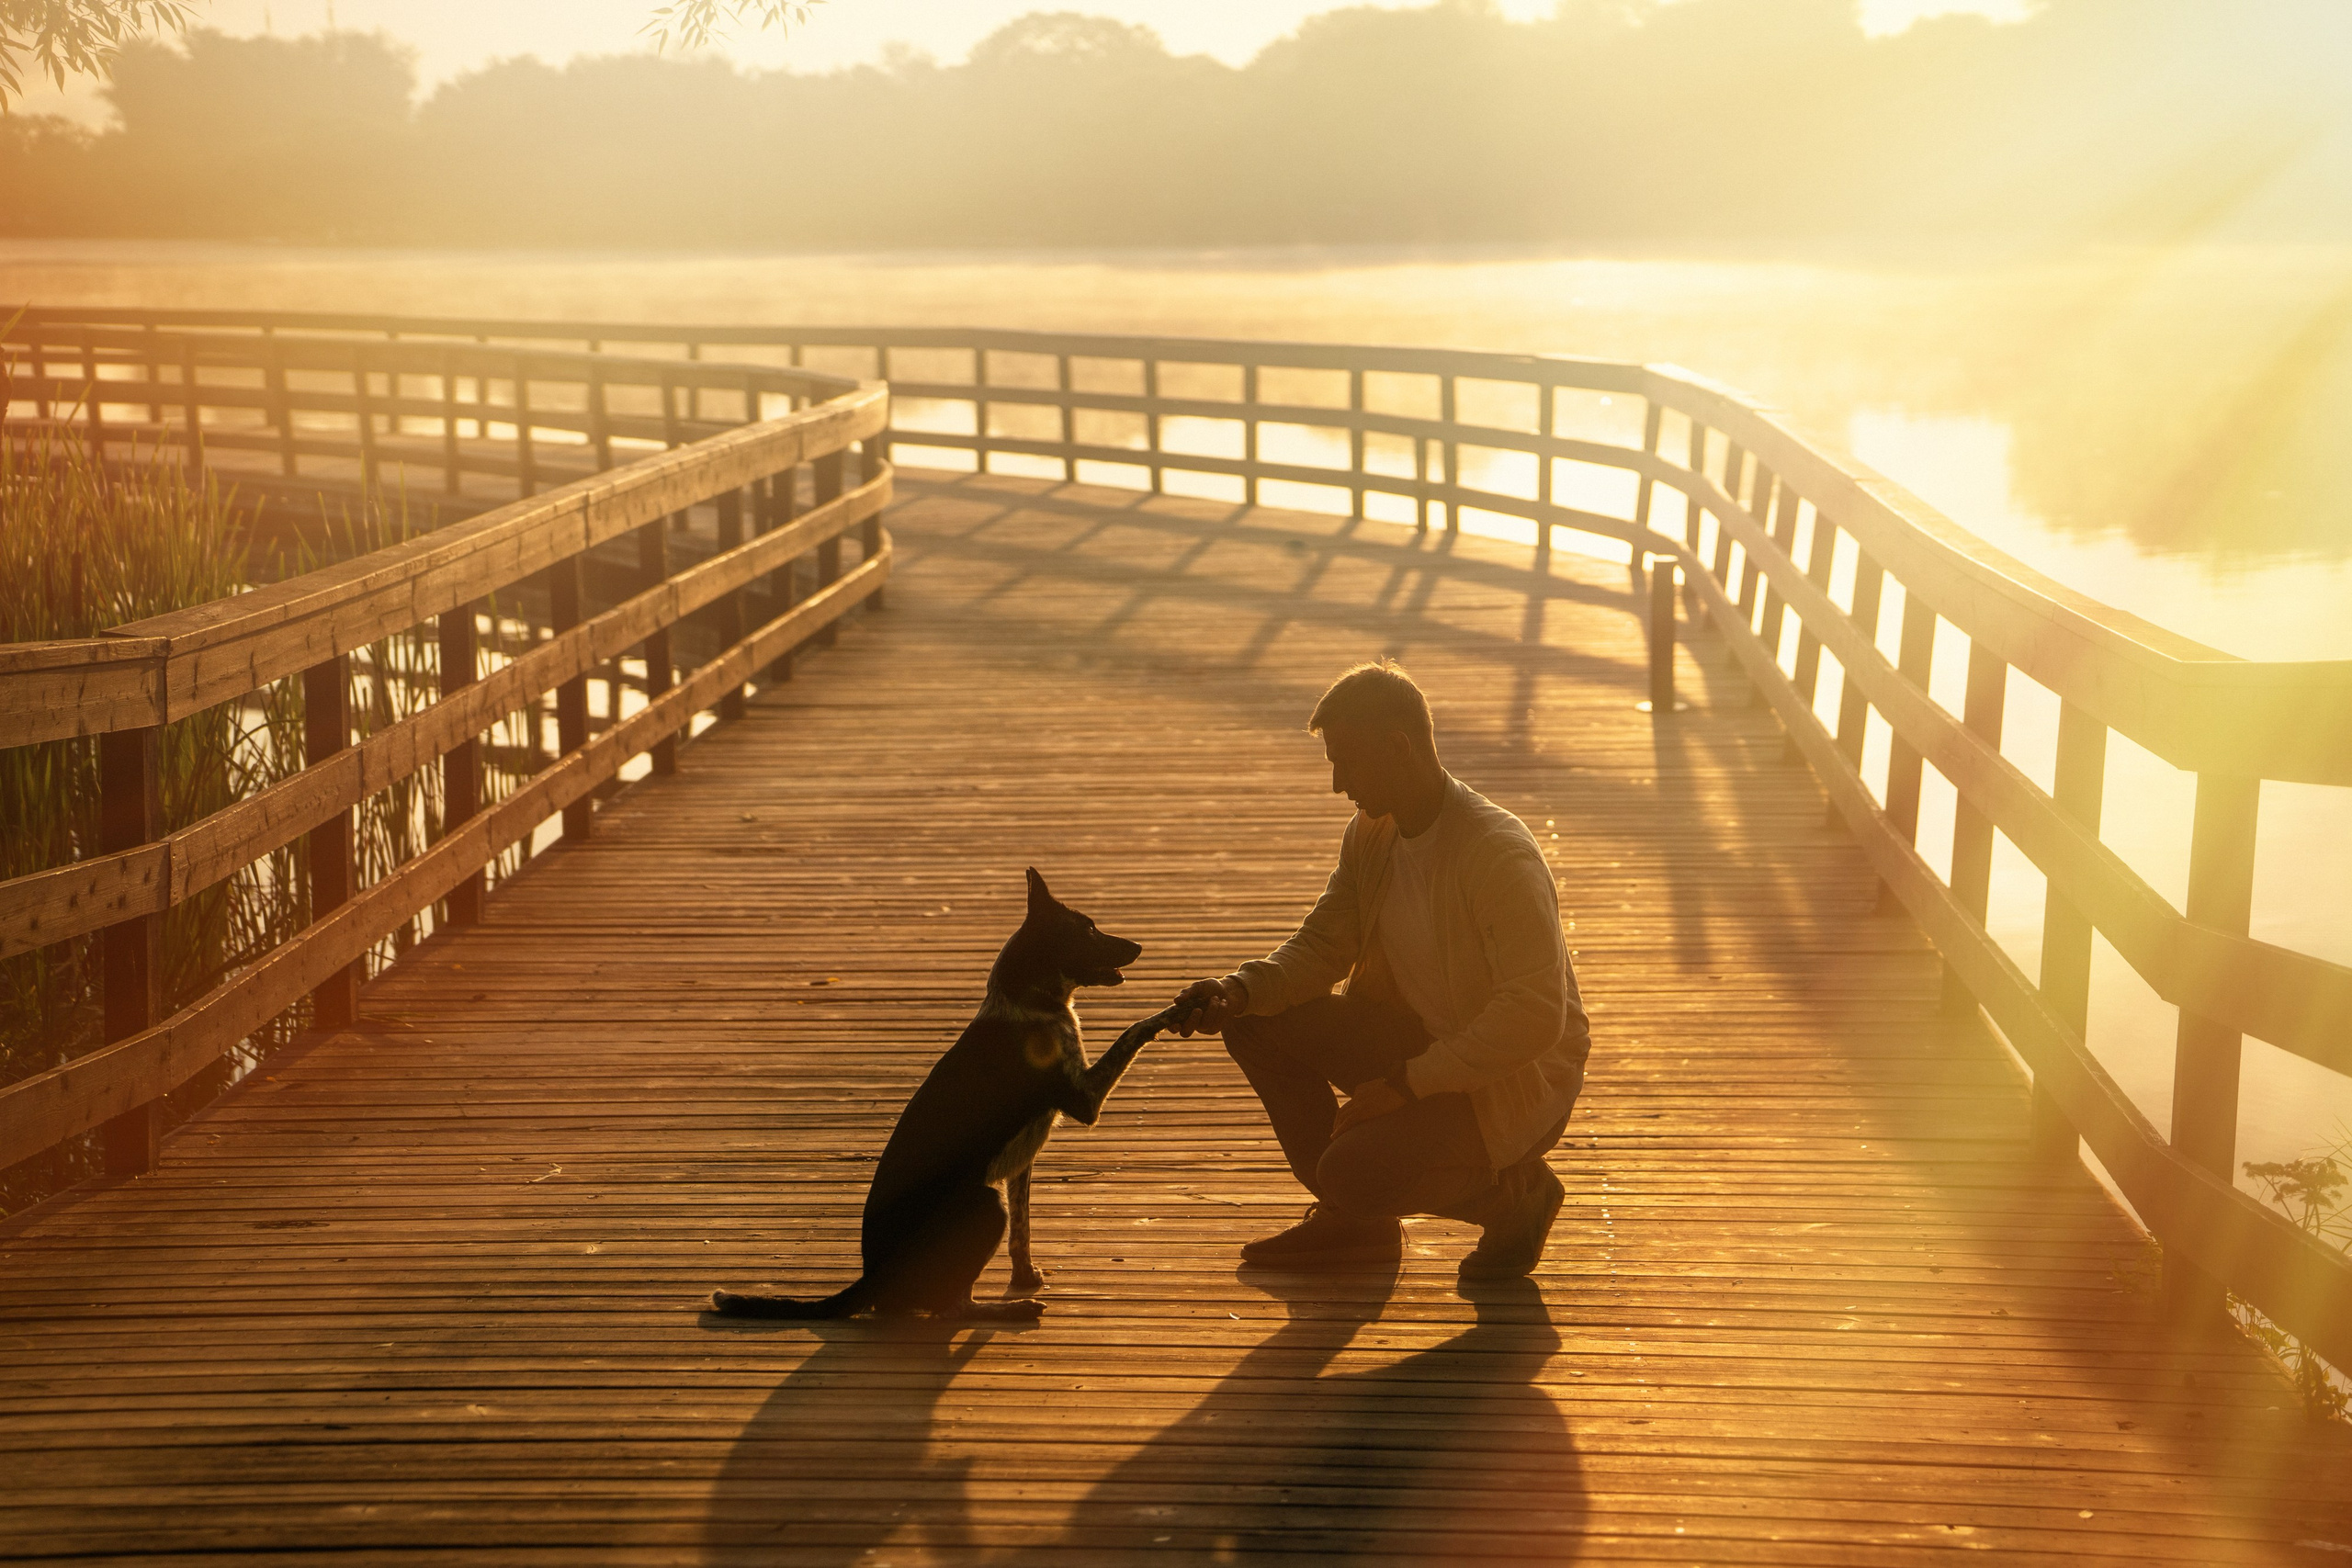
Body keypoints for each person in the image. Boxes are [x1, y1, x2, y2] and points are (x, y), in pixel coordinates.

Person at [1170, 661, 1589, 1279]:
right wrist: (1237, 990)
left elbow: (1534, 1019)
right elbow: (1322, 946)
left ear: (1399, 747)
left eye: (1347, 761)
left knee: (1348, 1169)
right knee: (1256, 1021)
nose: (1339, 784)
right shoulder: (1373, 831)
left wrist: (1404, 1083)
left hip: (1511, 1079)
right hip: (1420, 1037)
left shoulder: (1496, 853)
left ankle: (1515, 1195)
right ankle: (1354, 1221)